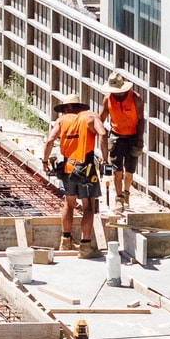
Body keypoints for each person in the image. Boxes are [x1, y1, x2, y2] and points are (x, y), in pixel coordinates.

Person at [39, 94, 104, 257]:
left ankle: (66, 241)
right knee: (88, 207)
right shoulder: (90, 117)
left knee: (69, 204)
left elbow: (49, 140)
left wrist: (45, 161)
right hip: (86, 167)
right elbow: (102, 134)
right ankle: (85, 246)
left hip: (68, 167)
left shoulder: (62, 121)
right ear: (80, 107)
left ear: (66, 108)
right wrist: (105, 159)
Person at [99, 72, 142, 214]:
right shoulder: (108, 100)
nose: (116, 94)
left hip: (133, 136)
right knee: (117, 170)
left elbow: (141, 119)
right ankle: (118, 198)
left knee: (129, 170)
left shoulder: (135, 98)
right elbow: (101, 118)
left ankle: (127, 194)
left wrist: (140, 138)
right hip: (116, 136)